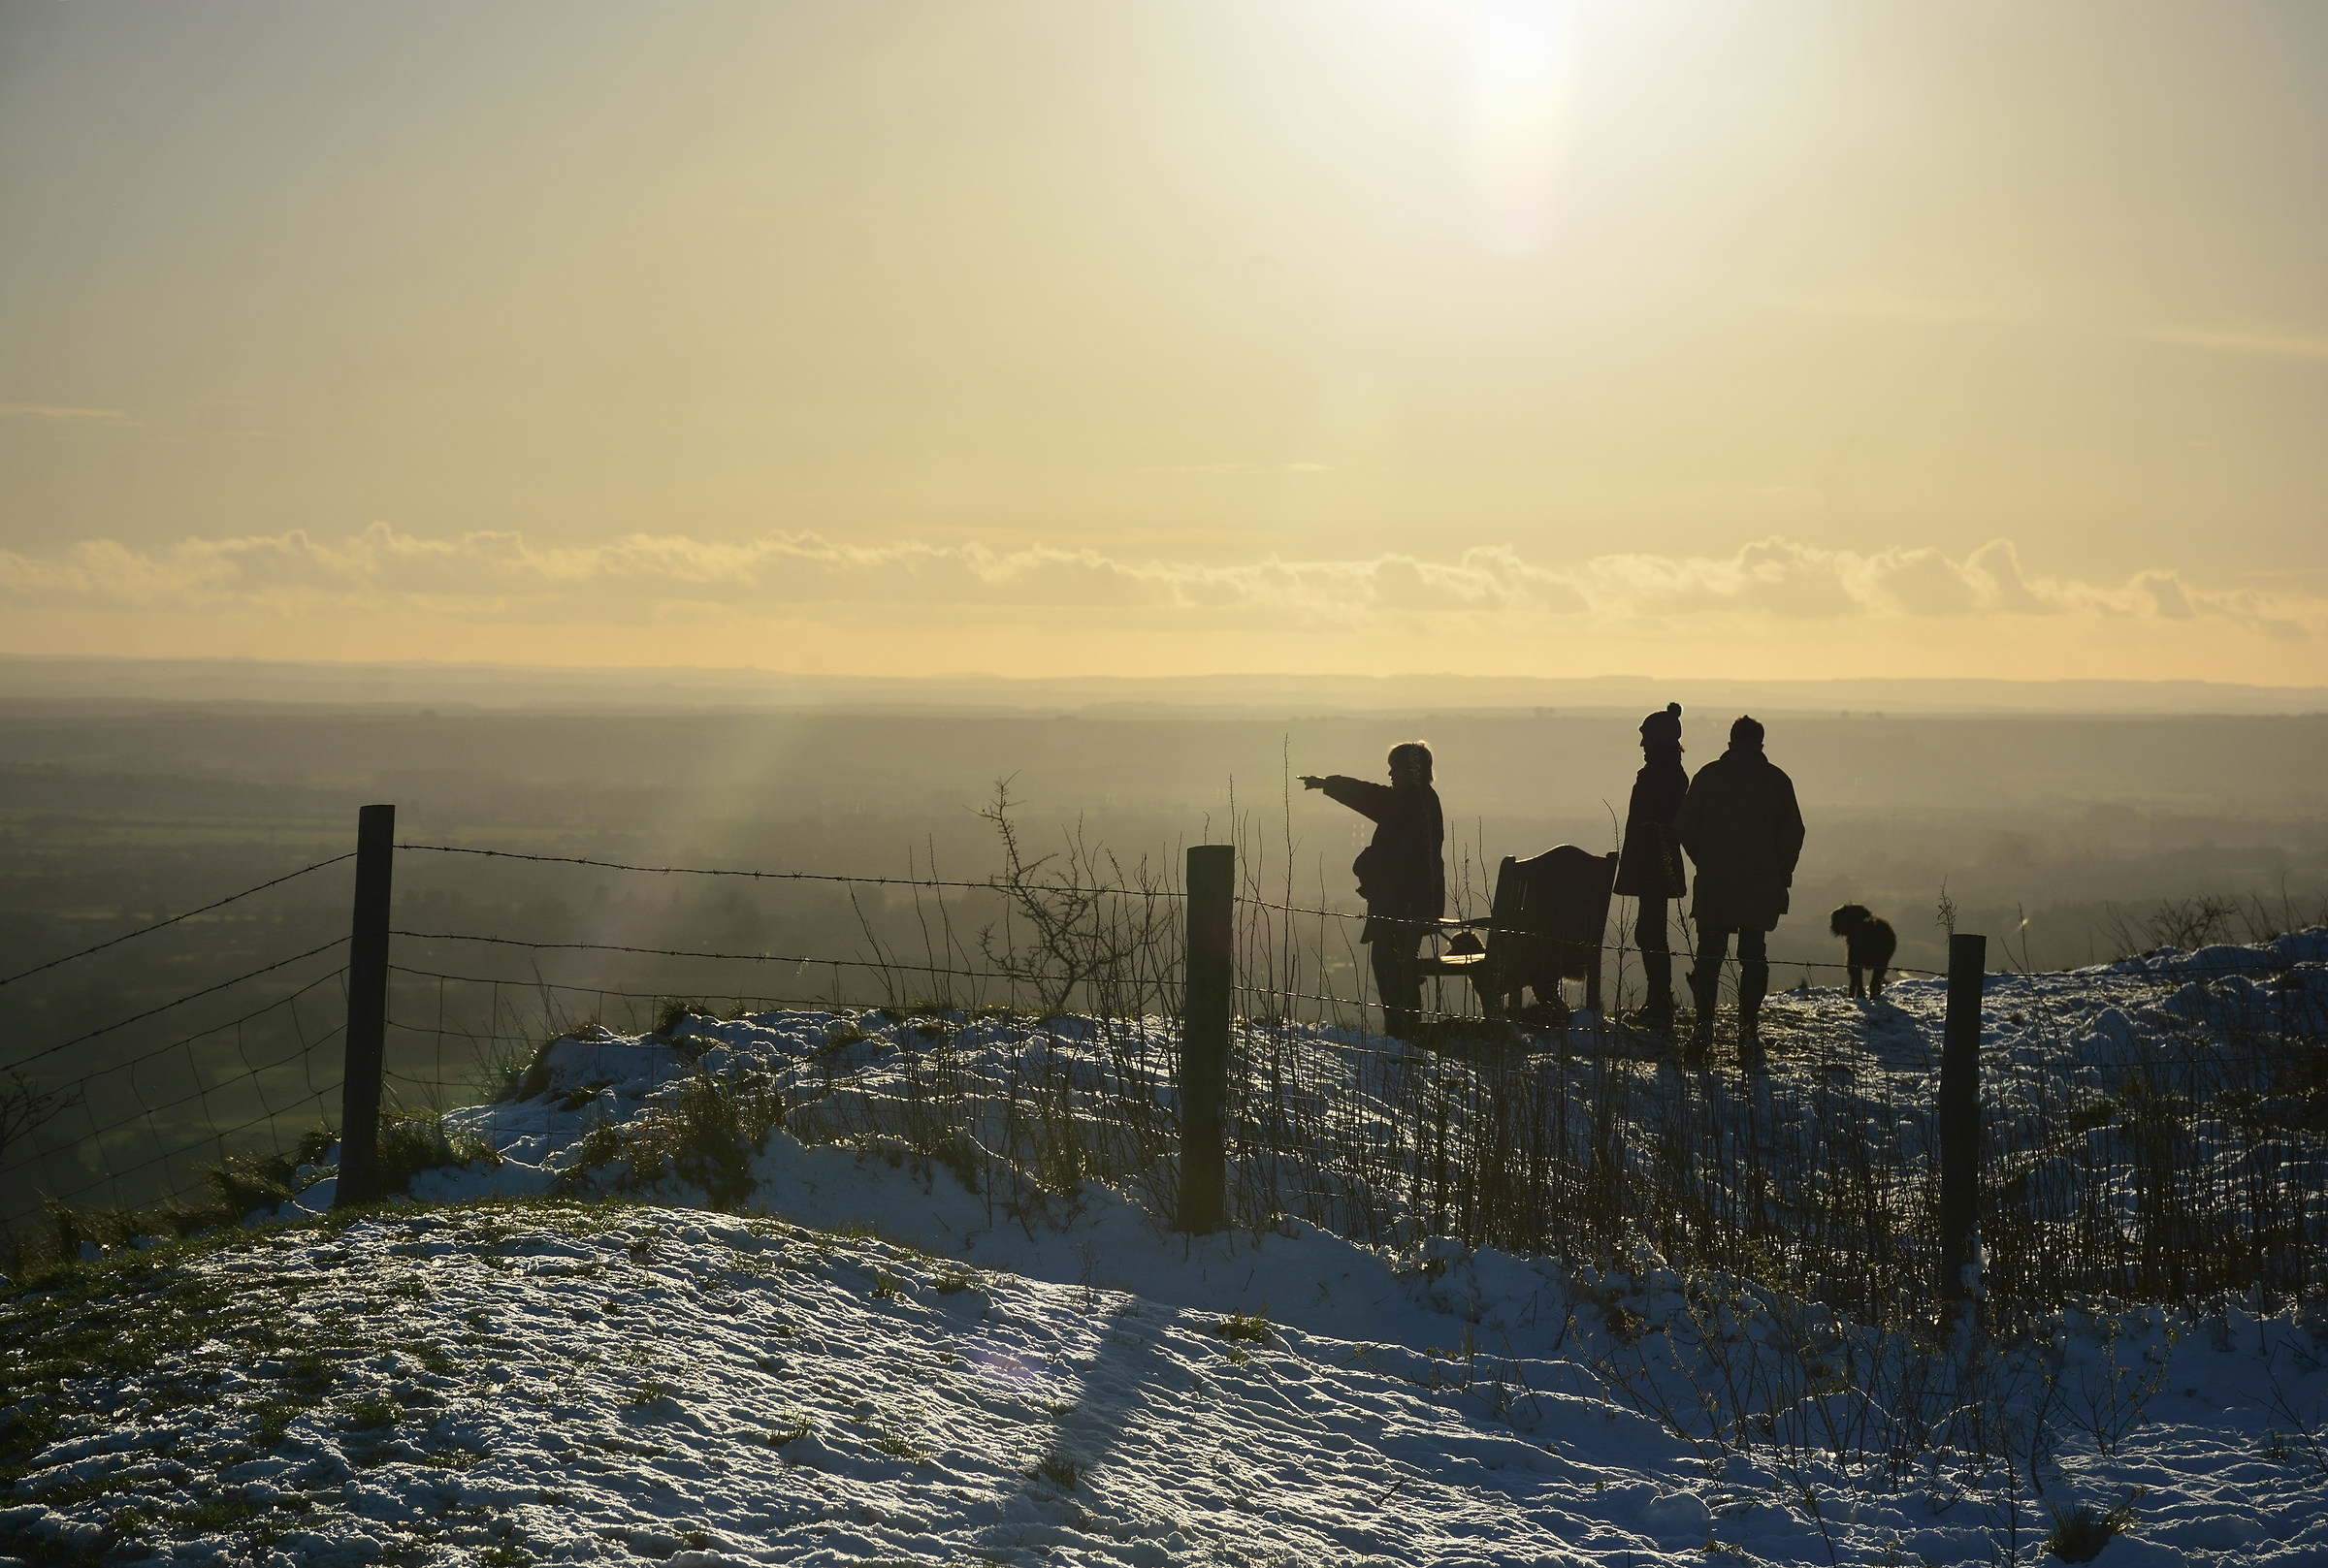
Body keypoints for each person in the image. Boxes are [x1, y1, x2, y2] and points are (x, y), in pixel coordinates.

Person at [1671, 715, 1804, 1071]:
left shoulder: (1708, 777)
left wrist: (1705, 859)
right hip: (1760, 884)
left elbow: (1683, 825)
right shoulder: (1776, 780)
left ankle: (1704, 1029)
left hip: (1715, 882)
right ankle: (1748, 1030)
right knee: (1753, 955)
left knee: (1710, 955)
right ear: (1760, 743)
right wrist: (1780, 872)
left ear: (1730, 742)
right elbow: (1794, 832)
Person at [1300, 743, 1445, 1040]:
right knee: (1398, 961)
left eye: (1396, 768)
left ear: (1411, 772)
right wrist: (1329, 784)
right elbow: (1371, 796)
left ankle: (1401, 1031)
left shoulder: (1410, 805)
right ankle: (1405, 1028)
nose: (1390, 773)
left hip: (1402, 905)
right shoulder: (1416, 801)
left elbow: (1390, 851)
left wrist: (1362, 866)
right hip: (1412, 902)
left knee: (1390, 962)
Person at [1614, 703, 1689, 1038]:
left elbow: (1658, 822)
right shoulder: (1670, 772)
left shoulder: (1663, 775)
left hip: (1655, 864)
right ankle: (1657, 1000)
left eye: (1646, 739)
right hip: (1655, 863)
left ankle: (1659, 1003)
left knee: (1651, 932)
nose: (1642, 746)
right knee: (1649, 931)